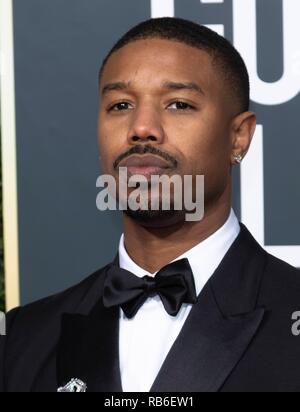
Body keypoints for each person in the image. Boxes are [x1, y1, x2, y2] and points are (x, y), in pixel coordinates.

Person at [1, 17, 299, 393]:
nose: (141, 127)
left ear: (238, 137)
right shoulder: (23, 338)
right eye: (121, 104)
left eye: (178, 104)